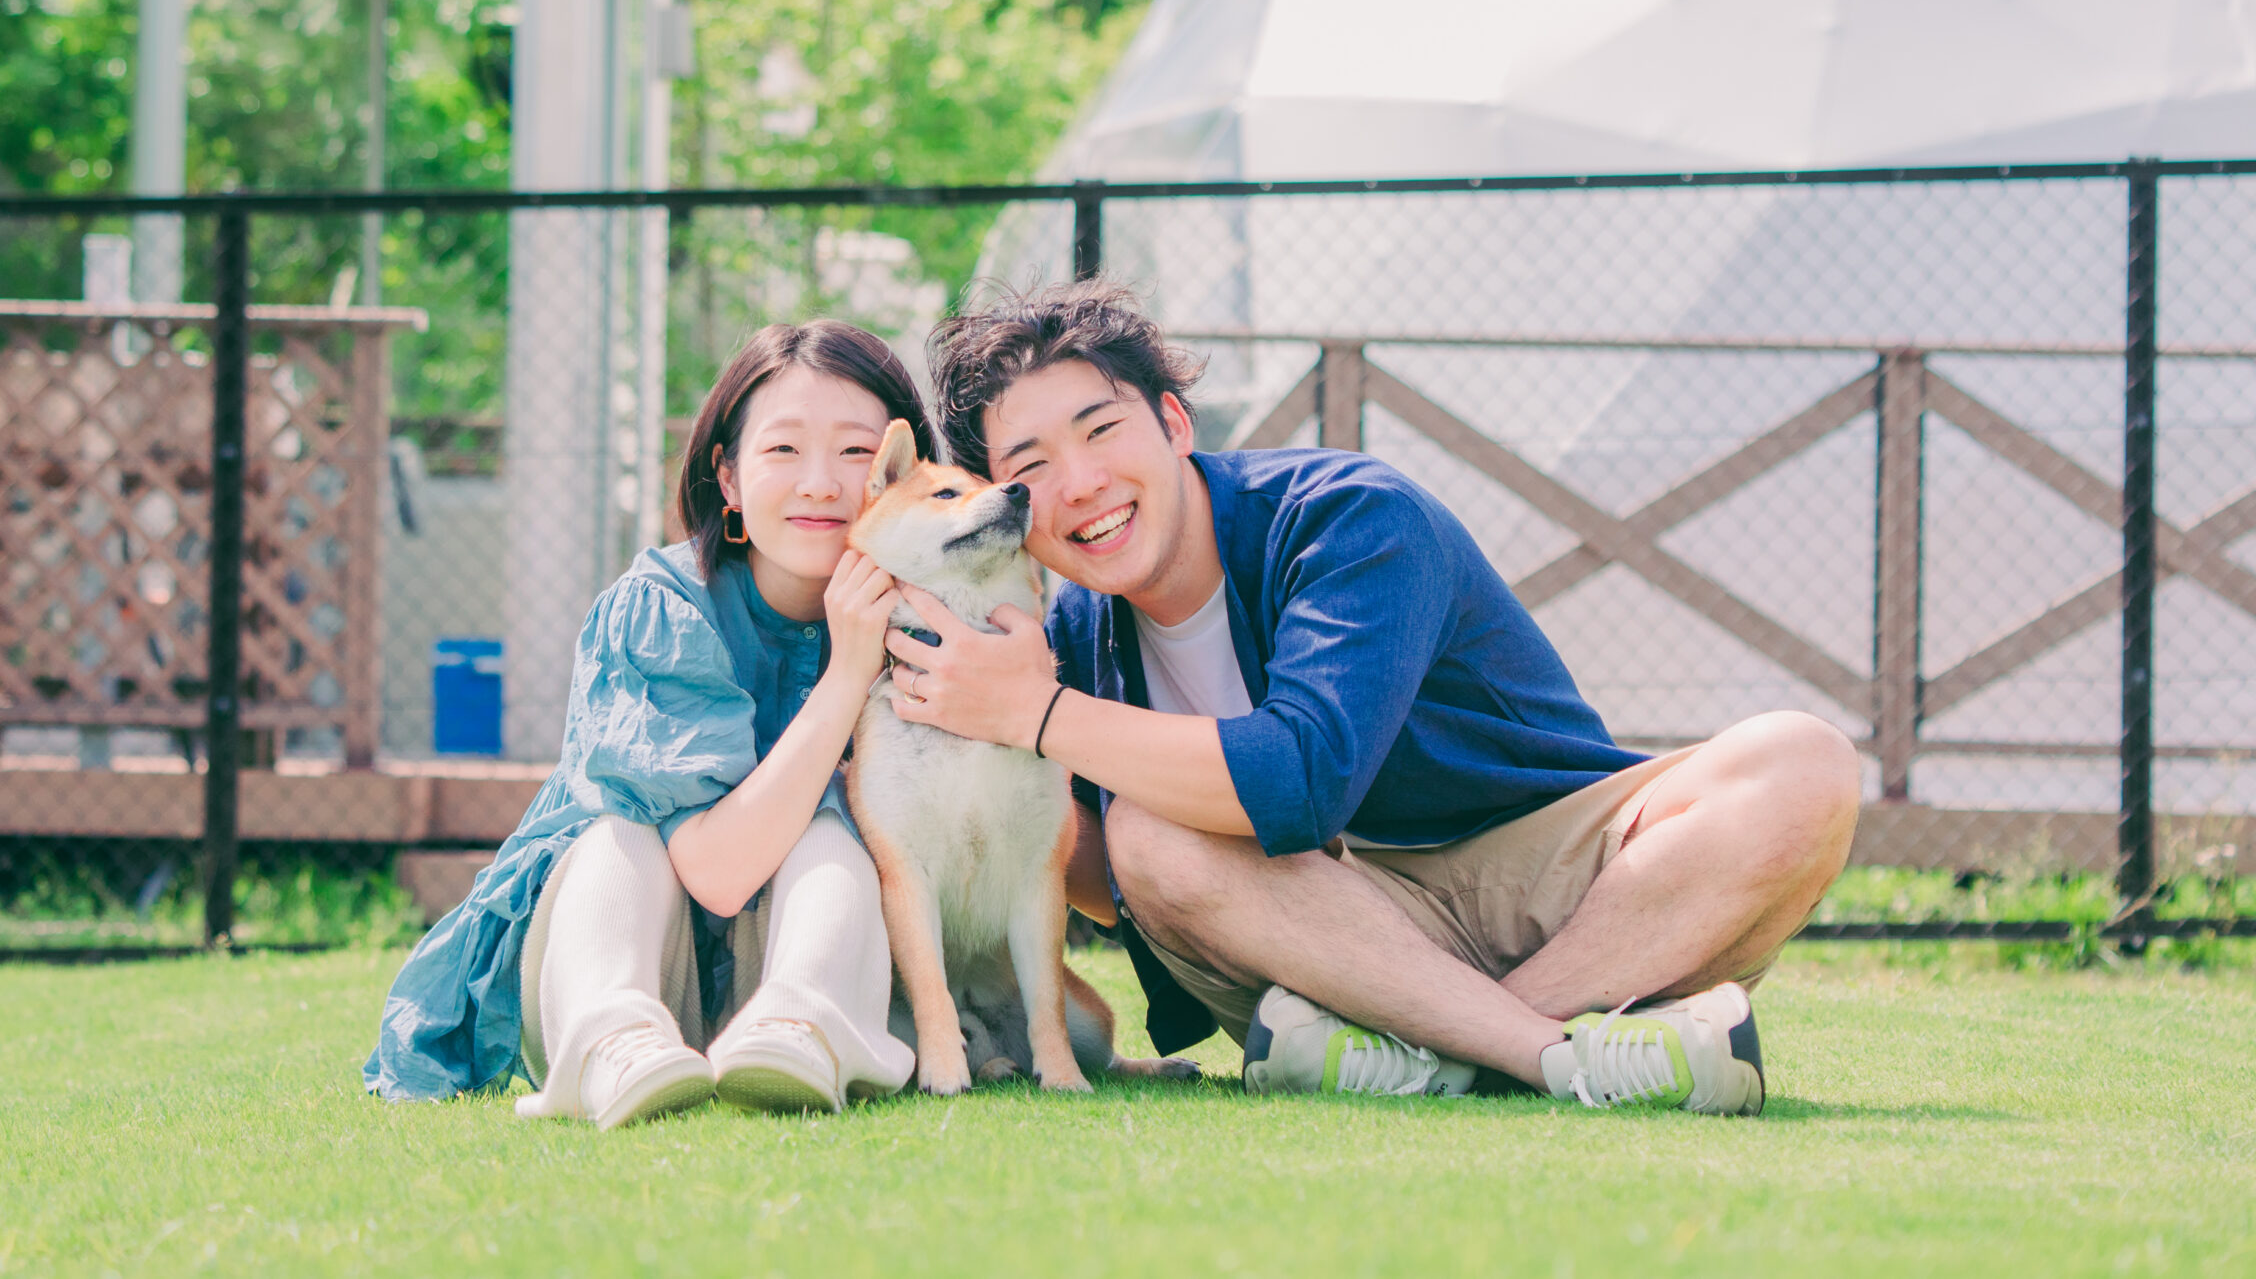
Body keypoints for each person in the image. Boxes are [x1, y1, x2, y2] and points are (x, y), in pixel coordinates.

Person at [887, 280, 1859, 1115]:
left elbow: (1301, 782)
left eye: (1101, 430)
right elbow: (1101, 879)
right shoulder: (1063, 639)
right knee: (1147, 835)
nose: (1082, 485)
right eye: (1031, 469)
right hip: (1329, 941)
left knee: (1800, 761)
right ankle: (1559, 1055)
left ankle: (1461, 1061)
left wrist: (1038, 719)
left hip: (1550, 884)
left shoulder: (1347, 516)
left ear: (1174, 424)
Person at [364, 322, 923, 1127]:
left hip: (803, 976)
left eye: (857, 454)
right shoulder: (663, 606)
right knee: (624, 835)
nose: (822, 484)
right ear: (727, 477)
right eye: (783, 451)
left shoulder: (933, 615)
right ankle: (615, 1042)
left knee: (827, 835)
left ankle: (805, 1025)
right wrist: (847, 674)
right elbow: (716, 870)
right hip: (611, 958)